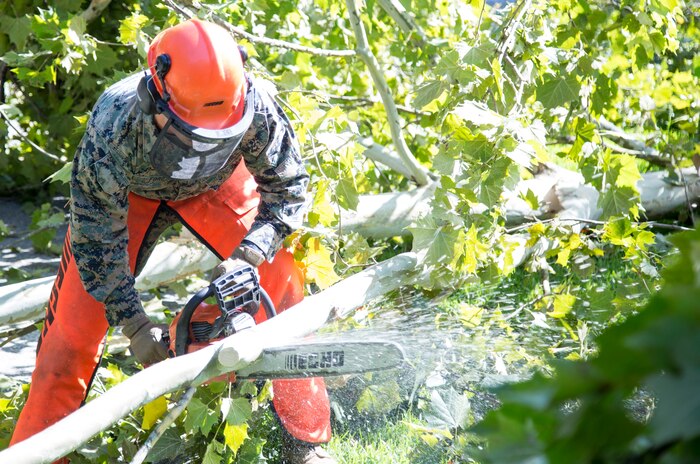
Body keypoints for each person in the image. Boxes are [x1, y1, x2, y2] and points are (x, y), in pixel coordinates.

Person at [10, 18, 336, 464]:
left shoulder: (255, 104)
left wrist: (250, 254)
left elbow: (289, 189)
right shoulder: (114, 125)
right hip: (132, 194)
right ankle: (36, 456)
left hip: (219, 186)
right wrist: (135, 326)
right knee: (69, 337)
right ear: (154, 94)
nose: (199, 146)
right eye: (190, 135)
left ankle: (307, 442)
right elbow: (95, 240)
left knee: (283, 280)